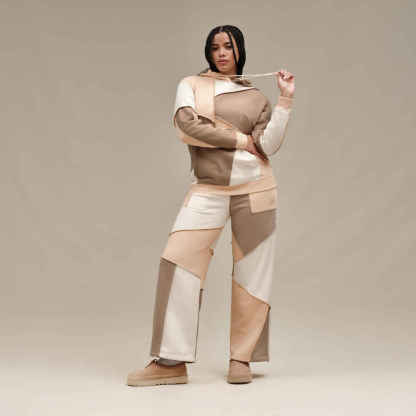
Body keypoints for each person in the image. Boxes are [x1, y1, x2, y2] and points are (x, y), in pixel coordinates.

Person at [126, 24, 295, 386]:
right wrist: (241, 140)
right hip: (209, 189)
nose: (221, 53)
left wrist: (284, 101)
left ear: (239, 51)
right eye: (215, 47)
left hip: (257, 190)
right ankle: (170, 362)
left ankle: (241, 359)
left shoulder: (256, 97)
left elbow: (268, 145)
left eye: (228, 47)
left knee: (253, 275)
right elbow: (186, 126)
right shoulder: (191, 85)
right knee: (178, 262)